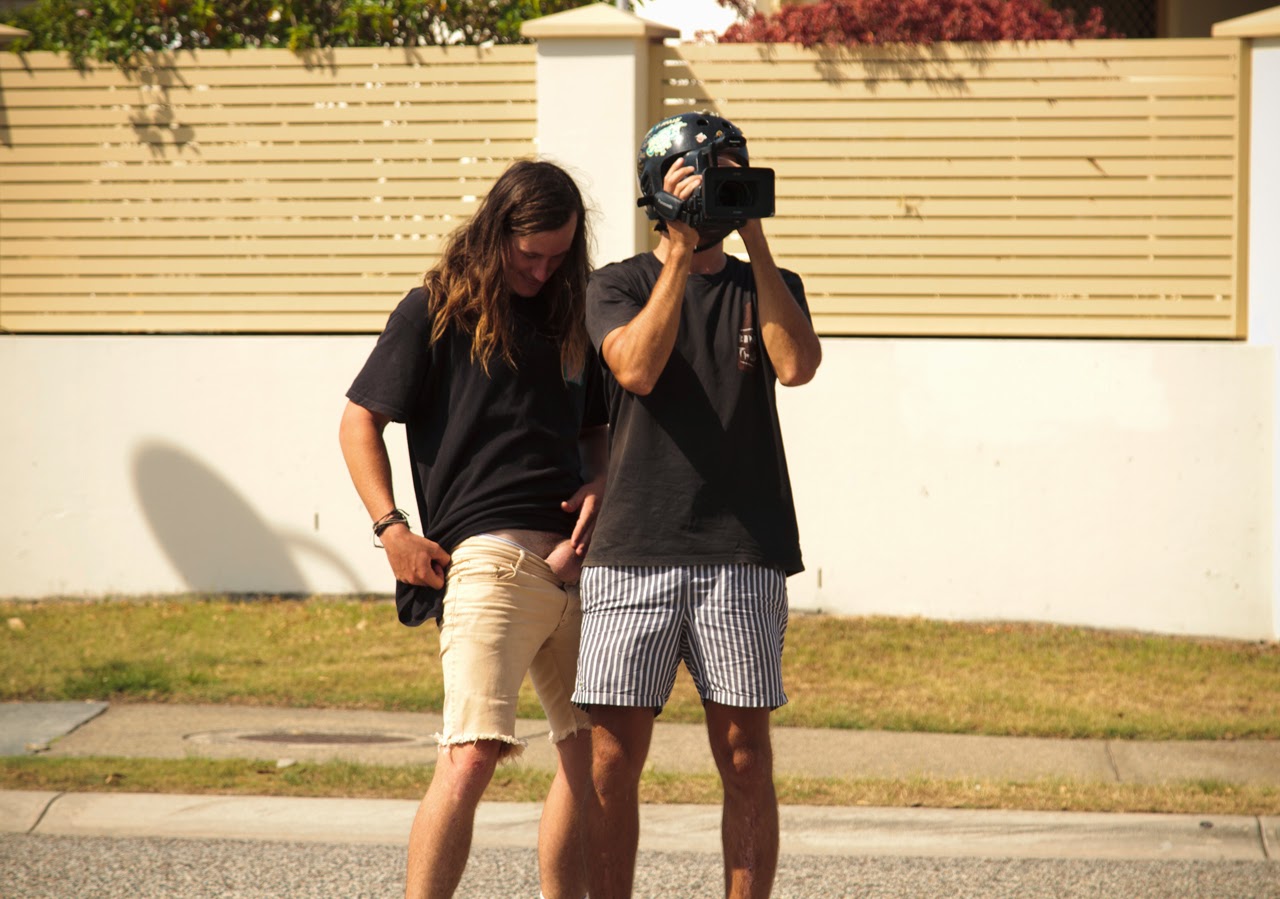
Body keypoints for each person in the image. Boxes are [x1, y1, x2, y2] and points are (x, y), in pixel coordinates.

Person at [338, 159, 606, 899]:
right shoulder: (433, 309)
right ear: (495, 234)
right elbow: (359, 421)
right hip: (488, 563)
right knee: (471, 756)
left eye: (558, 256)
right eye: (529, 255)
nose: (543, 271)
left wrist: (600, 482)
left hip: (579, 565)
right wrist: (391, 528)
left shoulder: (573, 313)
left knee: (595, 758)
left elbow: (596, 431)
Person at [571, 112, 822, 899]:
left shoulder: (766, 286)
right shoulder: (615, 285)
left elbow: (796, 366)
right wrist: (679, 250)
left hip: (741, 552)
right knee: (611, 759)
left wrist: (756, 240)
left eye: (731, 177)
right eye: (702, 178)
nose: (716, 191)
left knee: (746, 756)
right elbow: (636, 369)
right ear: (659, 188)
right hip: (632, 551)